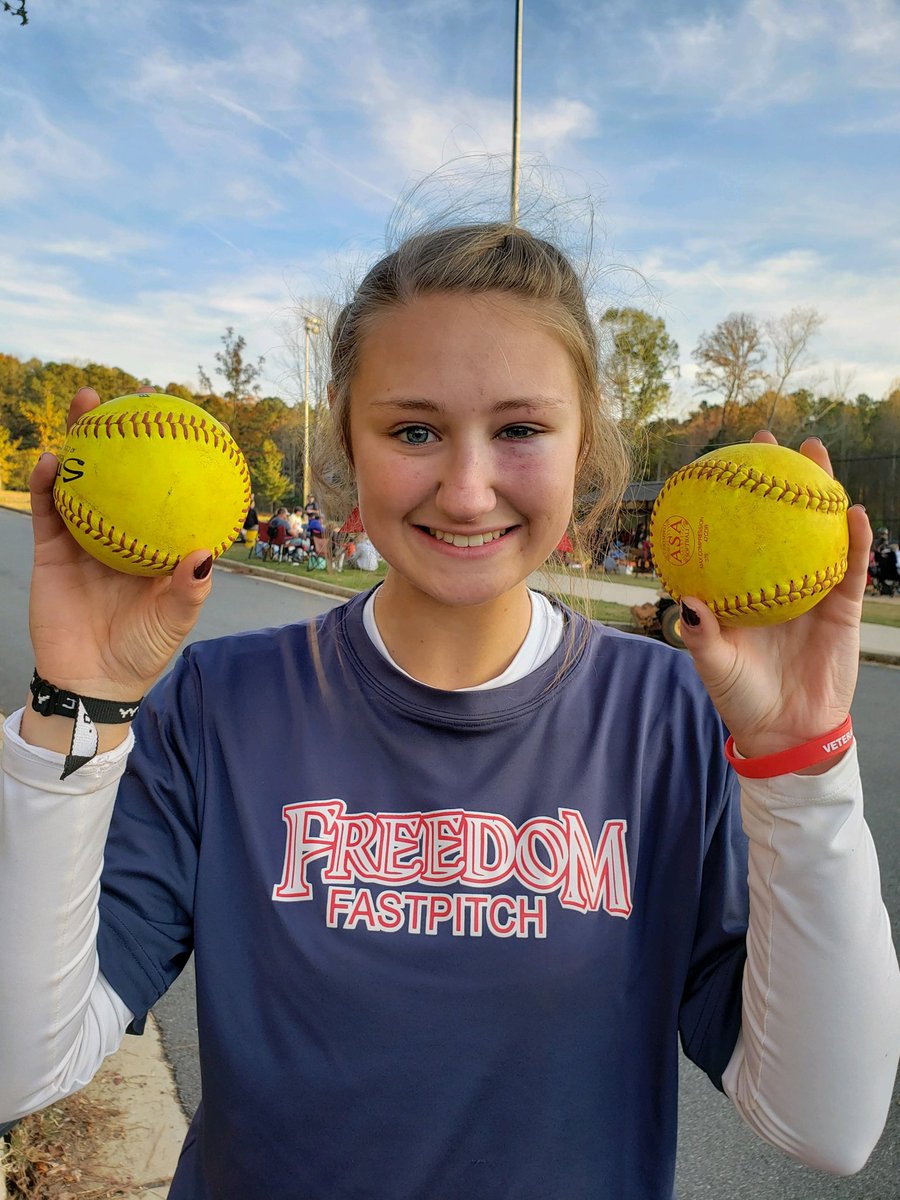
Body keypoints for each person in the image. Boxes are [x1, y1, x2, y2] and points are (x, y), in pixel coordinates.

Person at [1, 222, 898, 1200]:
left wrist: (802, 765)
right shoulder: (220, 704)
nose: (468, 492)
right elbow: (20, 1067)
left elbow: (826, 1122)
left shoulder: (673, 720)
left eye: (520, 429)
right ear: (348, 440)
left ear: (583, 444)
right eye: (415, 430)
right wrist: (72, 709)